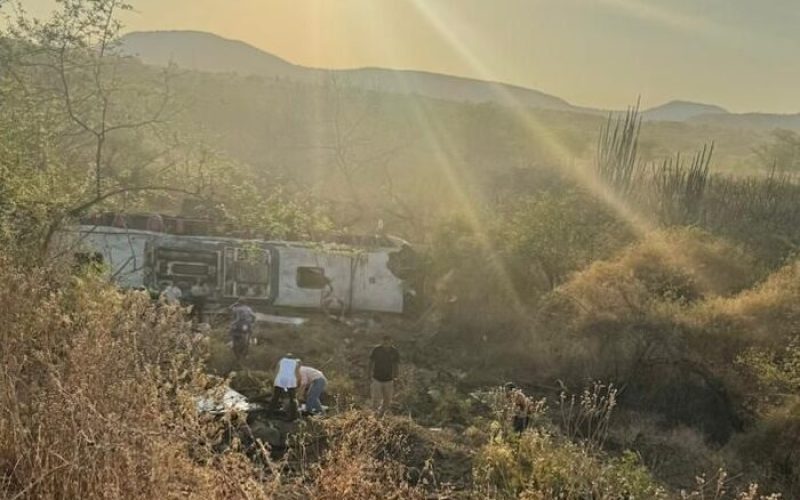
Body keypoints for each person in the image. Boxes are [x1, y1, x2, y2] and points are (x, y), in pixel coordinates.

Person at [369, 334, 400, 416]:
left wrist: (396, 377)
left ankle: (382, 415)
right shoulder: (376, 350)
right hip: (377, 378)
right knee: (376, 399)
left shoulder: (394, 351)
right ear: (382, 342)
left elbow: (396, 365)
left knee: (387, 400)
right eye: (384, 341)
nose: (386, 343)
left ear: (391, 342)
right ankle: (374, 416)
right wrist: (369, 374)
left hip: (389, 379)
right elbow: (371, 362)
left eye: (388, 342)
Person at [269, 353, 301, 421]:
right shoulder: (295, 362)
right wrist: (298, 383)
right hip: (290, 380)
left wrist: (274, 382)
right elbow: (297, 373)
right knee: (293, 399)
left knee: (275, 397)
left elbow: (276, 371)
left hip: (280, 380)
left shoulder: (281, 361)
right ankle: (293, 417)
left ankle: (269, 414)